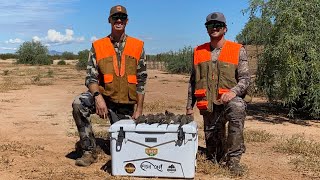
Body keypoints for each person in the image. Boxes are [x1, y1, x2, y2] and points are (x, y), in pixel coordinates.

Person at [72, 5, 147, 167]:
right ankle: (89, 151)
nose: (118, 20)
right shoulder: (98, 45)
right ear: (109, 20)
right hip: (104, 97)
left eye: (122, 17)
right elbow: (90, 78)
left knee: (127, 151)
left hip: (125, 104)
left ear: (127, 21)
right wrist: (98, 98)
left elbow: (141, 80)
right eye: (115, 17)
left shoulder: (138, 45)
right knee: (79, 103)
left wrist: (139, 109)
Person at [186, 12, 250, 176]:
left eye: (218, 25)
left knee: (237, 107)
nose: (214, 28)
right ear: (206, 29)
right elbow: (193, 82)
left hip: (228, 103)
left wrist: (232, 92)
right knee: (215, 157)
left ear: (225, 29)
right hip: (209, 106)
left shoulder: (237, 50)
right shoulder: (198, 51)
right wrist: (189, 108)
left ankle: (234, 161)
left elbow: (245, 80)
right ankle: (222, 152)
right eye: (210, 25)